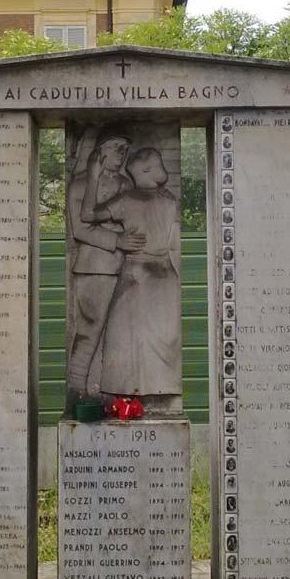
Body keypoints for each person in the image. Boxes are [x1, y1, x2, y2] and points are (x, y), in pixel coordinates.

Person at [81, 147, 181, 397]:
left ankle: (130, 394)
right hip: (164, 275)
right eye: (157, 165)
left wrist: (93, 176)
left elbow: (88, 214)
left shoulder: (128, 200)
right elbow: (175, 244)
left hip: (137, 275)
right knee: (154, 337)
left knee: (126, 337)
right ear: (147, 171)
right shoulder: (169, 200)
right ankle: (154, 392)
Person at [67, 124, 144, 400]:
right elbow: (80, 229)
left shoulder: (125, 184)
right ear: (99, 152)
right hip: (93, 266)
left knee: (120, 329)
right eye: (114, 147)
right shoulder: (79, 184)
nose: (121, 153)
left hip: (126, 265)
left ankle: (112, 390)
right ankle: (78, 388)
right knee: (91, 328)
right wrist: (117, 241)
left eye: (124, 148)